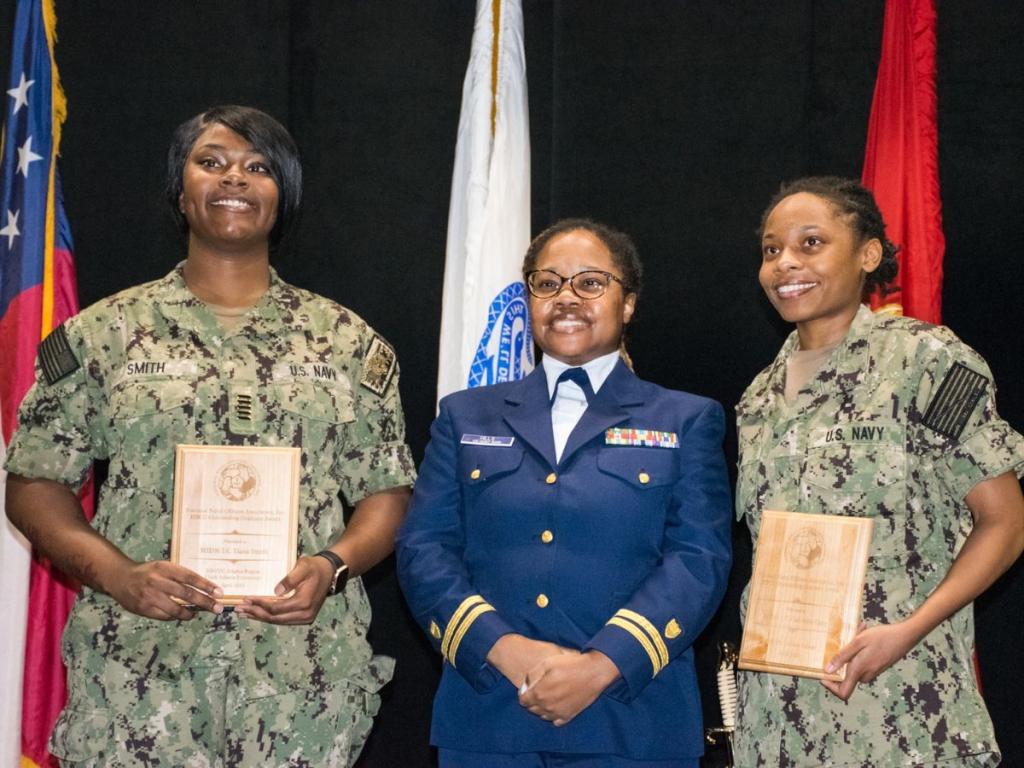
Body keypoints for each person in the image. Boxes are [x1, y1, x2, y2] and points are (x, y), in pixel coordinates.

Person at [4, 105, 415, 766]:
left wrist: (331, 566)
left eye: (258, 168)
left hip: (299, 686)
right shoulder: (103, 336)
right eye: (212, 162)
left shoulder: (346, 343)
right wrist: (118, 574)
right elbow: (32, 481)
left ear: (285, 197)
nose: (235, 180)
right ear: (180, 190)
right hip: (138, 680)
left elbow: (387, 492)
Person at [396, 219, 732, 767]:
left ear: (627, 304)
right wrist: (506, 651)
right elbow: (422, 549)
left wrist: (602, 665)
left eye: (591, 283)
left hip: (632, 720)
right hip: (491, 715)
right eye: (547, 283)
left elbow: (699, 560)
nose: (567, 298)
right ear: (528, 301)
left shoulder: (686, 417)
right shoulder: (465, 414)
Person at [734, 176, 1024, 766]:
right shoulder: (757, 400)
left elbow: (1005, 523)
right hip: (777, 726)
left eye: (810, 243)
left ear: (867, 254)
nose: (785, 262)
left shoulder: (927, 361)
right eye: (771, 249)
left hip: (905, 714)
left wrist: (908, 629)